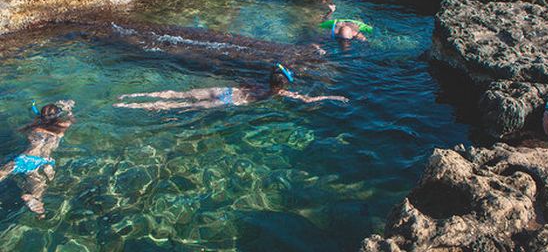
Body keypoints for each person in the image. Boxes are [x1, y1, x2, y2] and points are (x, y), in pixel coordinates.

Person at [114, 64, 348, 111]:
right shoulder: (280, 92)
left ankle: (133, 94)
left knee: (179, 94)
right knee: (181, 105)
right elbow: (308, 100)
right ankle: (132, 105)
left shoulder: (262, 83)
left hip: (226, 90)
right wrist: (334, 97)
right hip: (230, 101)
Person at [0, 100, 76, 217]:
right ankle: (34, 198)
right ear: (58, 116)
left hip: (24, 158)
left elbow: (19, 130)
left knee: (3, 172)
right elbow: (72, 120)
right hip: (42, 161)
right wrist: (69, 110)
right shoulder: (62, 126)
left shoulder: (35, 126)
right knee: (38, 186)